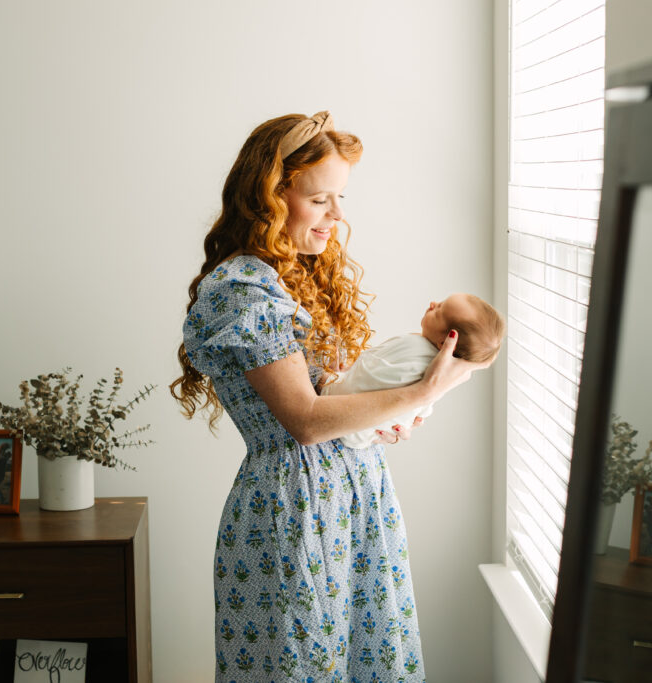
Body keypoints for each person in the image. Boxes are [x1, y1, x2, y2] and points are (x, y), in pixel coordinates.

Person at [171, 111, 490, 682]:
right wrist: (425, 388)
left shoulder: (295, 273)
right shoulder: (243, 291)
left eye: (339, 198)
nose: (338, 215)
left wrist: (397, 413)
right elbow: (306, 420)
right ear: (271, 197)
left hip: (352, 498)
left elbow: (335, 401)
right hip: (293, 513)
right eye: (322, 200)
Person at [322, 293, 504, 448]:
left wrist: (339, 374)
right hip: (362, 438)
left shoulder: (414, 345)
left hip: (332, 402)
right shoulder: (440, 379)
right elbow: (419, 412)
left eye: (439, 311)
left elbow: (368, 363)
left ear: (445, 342)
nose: (432, 304)